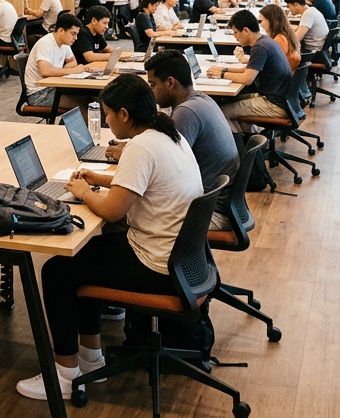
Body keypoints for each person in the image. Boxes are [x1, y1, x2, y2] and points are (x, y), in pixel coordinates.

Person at [15, 74, 206, 401]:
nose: (106, 120)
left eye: (107, 113)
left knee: (57, 271)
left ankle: (64, 378)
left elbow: (113, 212)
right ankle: (91, 360)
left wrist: (84, 190)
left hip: (158, 268)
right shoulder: (166, 133)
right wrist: (98, 176)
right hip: (182, 261)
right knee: (83, 256)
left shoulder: (141, 147)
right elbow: (141, 182)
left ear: (124, 115)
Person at [140, 50, 240, 229]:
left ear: (170, 83)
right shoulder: (201, 99)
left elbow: (164, 168)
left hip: (209, 213)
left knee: (133, 213)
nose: (150, 91)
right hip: (222, 205)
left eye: (152, 84)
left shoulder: (186, 112)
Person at [211, 10, 294, 136]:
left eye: (236, 32)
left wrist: (222, 75)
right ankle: (252, 142)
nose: (235, 36)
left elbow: (247, 79)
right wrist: (224, 70)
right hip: (280, 100)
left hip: (274, 105)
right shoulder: (265, 41)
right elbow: (249, 69)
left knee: (222, 111)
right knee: (228, 101)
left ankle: (243, 151)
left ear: (245, 30)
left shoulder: (260, 47)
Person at [24, 13, 98, 110]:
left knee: (91, 98)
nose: (76, 38)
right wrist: (72, 71)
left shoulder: (64, 43)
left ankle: (68, 124)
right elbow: (46, 71)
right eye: (73, 34)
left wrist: (61, 71)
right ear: (61, 31)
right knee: (83, 105)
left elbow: (72, 62)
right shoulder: (46, 43)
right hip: (40, 93)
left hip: (54, 86)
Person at [235, 4, 300, 70]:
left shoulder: (280, 39)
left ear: (271, 21)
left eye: (261, 21)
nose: (261, 25)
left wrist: (246, 59)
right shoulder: (285, 34)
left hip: (282, 78)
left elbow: (269, 63)